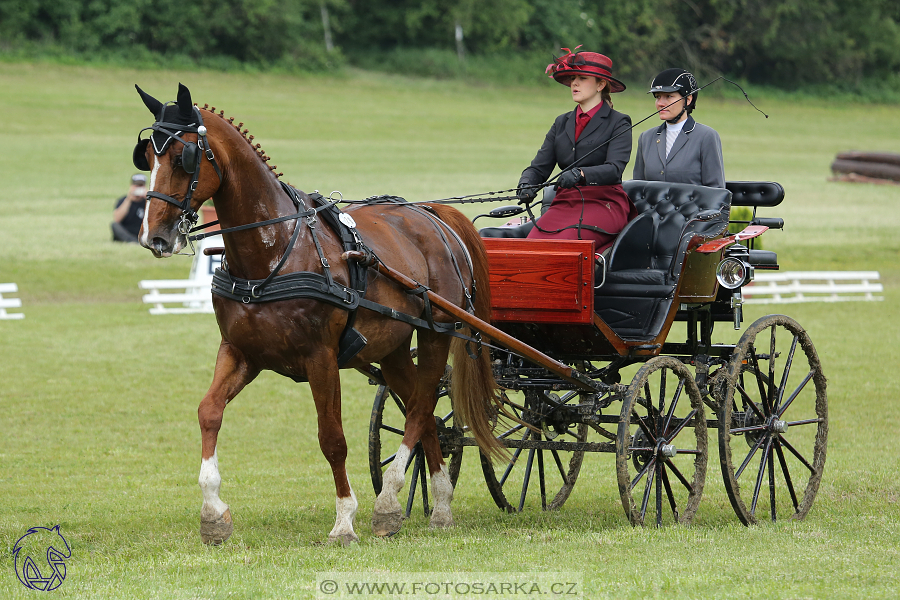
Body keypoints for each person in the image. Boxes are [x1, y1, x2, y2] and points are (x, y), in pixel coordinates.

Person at [516, 47, 636, 253]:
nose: (575, 83)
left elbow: (614, 169)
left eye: (582, 77)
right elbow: (539, 167)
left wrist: (581, 174)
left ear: (601, 84)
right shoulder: (561, 122)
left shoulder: (619, 122)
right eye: (573, 78)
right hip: (565, 203)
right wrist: (527, 183)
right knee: (531, 249)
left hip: (604, 204)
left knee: (563, 248)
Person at [632, 68, 725, 188]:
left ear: (688, 100)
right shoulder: (646, 138)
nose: (660, 103)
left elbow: (716, 191)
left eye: (669, 96)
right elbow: (638, 189)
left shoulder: (706, 136)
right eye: (658, 97)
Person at [111, 173, 148, 243]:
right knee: (114, 225)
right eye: (137, 186)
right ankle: (132, 241)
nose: (139, 189)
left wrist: (148, 199)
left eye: (141, 186)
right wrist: (129, 199)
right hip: (128, 232)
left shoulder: (148, 201)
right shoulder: (123, 200)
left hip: (143, 232)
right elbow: (117, 219)